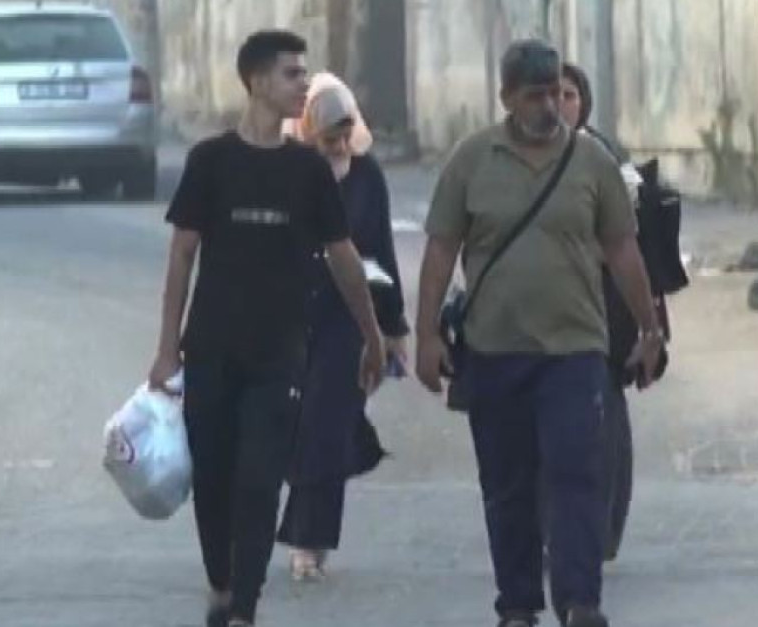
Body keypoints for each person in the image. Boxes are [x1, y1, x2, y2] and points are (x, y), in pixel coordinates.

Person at [414, 40, 664, 627]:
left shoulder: (592, 161)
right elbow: (441, 250)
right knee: (508, 487)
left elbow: (623, 249)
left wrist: (650, 327)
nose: (549, 106)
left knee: (577, 475)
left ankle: (580, 602)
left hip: (575, 350)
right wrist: (426, 336)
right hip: (494, 350)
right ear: (506, 97)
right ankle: (518, 606)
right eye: (535, 96)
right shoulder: (472, 160)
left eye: (555, 93)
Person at [146, 31, 386, 627]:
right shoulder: (210, 161)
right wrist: (166, 348)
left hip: (279, 355)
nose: (304, 84)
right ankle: (223, 584)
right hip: (210, 349)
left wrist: (373, 334)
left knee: (259, 481)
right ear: (256, 81)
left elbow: (344, 256)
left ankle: (244, 610)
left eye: (303, 73)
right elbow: (182, 255)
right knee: (214, 479)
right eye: (291, 74)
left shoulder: (308, 170)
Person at [276, 72, 410, 581]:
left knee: (326, 426)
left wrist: (393, 327)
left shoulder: (367, 175)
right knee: (294, 427)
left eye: (343, 137)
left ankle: (309, 540)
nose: (336, 148)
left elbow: (382, 250)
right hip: (292, 314)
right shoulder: (287, 172)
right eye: (327, 139)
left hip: (349, 318)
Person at [557, 62, 638, 563]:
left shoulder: (602, 157)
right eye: (550, 93)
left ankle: (601, 532)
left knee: (603, 421)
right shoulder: (511, 157)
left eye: (569, 94)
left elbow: (626, 244)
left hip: (600, 310)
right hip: (538, 315)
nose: (559, 104)